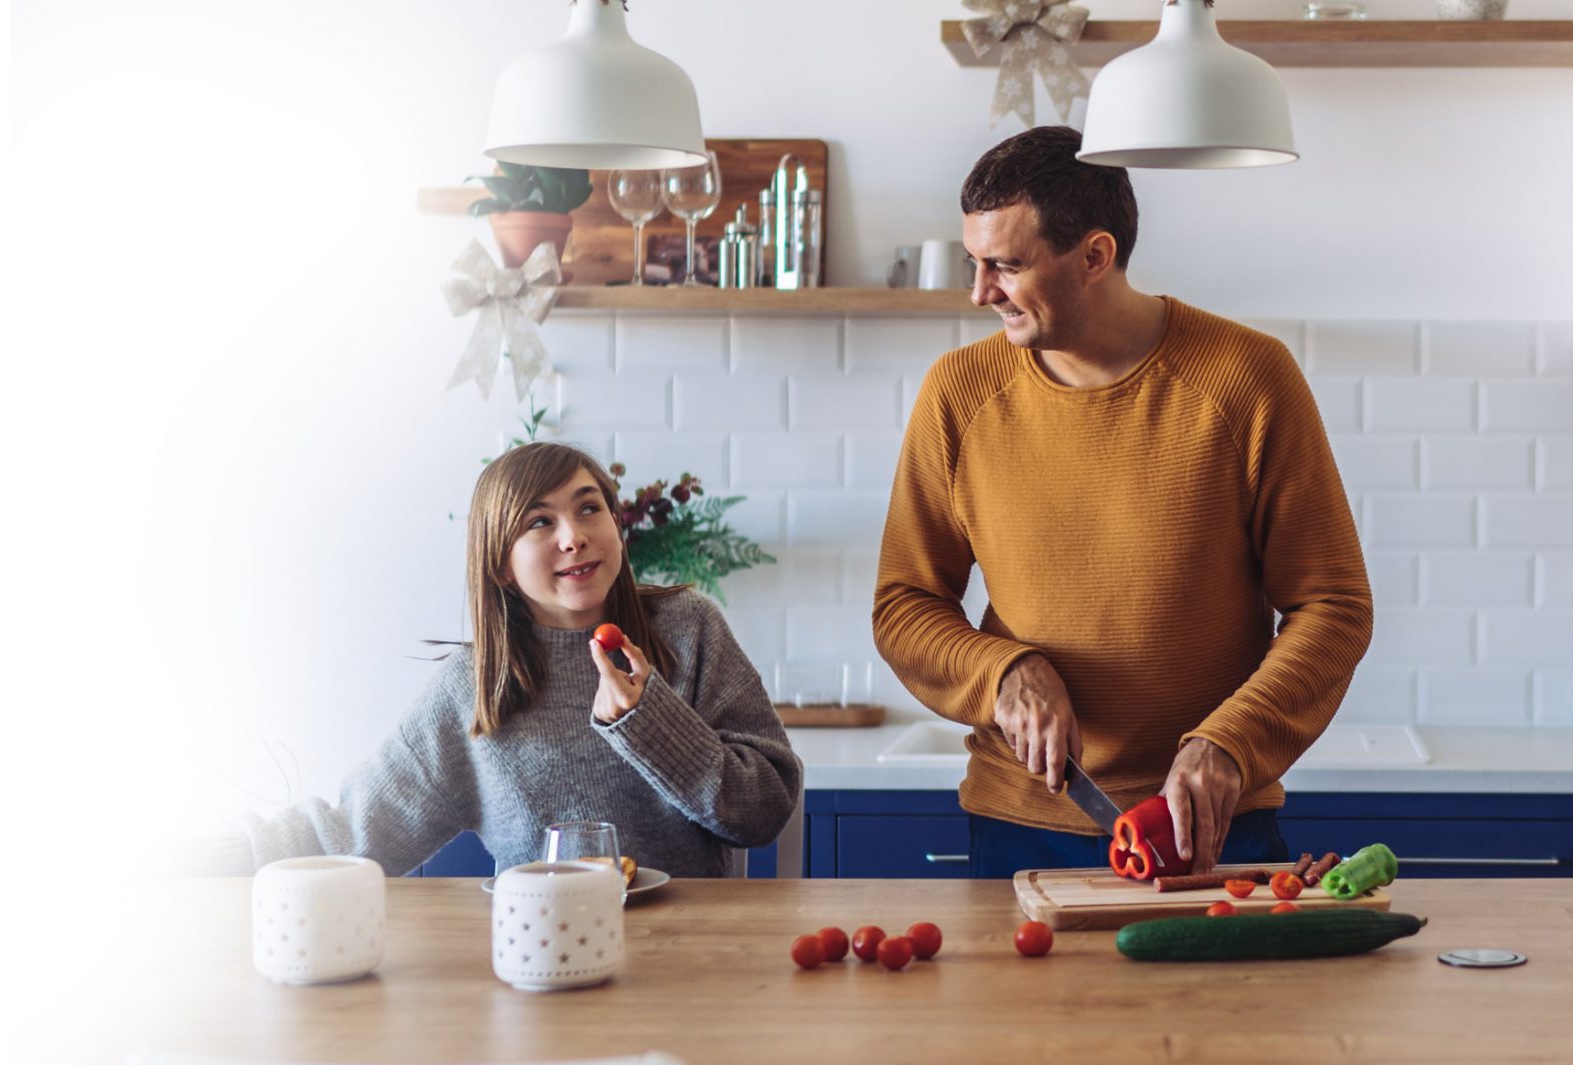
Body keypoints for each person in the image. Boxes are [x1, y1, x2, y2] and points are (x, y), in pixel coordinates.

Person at [872, 126, 1373, 878]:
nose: (980, 293)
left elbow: (1333, 606)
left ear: (1095, 256)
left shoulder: (1247, 379)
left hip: (1212, 825)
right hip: (1017, 826)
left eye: (1005, 266)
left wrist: (1230, 741)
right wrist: (1003, 670)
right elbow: (904, 603)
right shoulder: (959, 392)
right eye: (976, 263)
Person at [195, 442, 802, 877]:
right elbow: (349, 833)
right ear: (499, 564)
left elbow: (765, 810)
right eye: (540, 522)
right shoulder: (473, 687)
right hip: (541, 960)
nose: (573, 535)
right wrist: (196, 858)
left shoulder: (688, 630)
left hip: (696, 957)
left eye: (589, 508)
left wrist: (649, 722)